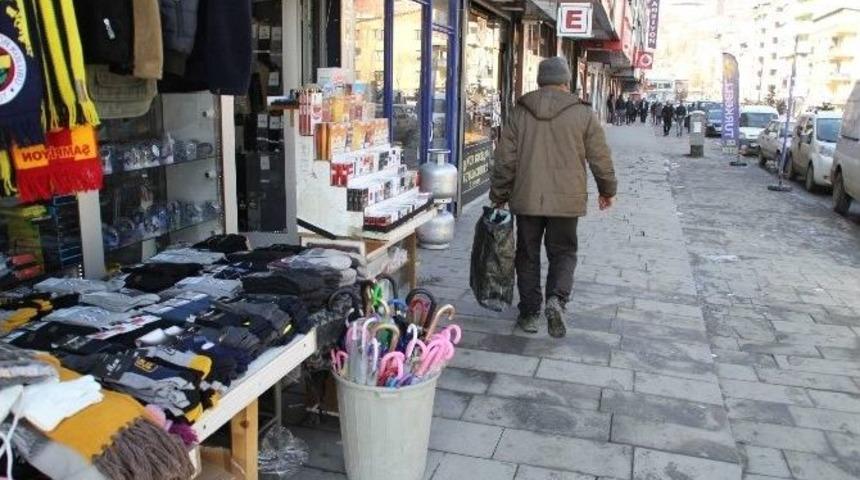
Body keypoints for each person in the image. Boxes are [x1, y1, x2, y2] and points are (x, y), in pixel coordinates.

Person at [490, 57, 617, 338]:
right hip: (567, 200)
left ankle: (530, 313)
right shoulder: (582, 113)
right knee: (563, 252)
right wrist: (607, 190)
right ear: (566, 81)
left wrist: (498, 194)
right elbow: (600, 157)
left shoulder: (520, 110)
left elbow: (505, 159)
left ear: (539, 80)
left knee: (527, 254)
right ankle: (557, 300)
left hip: (526, 197)